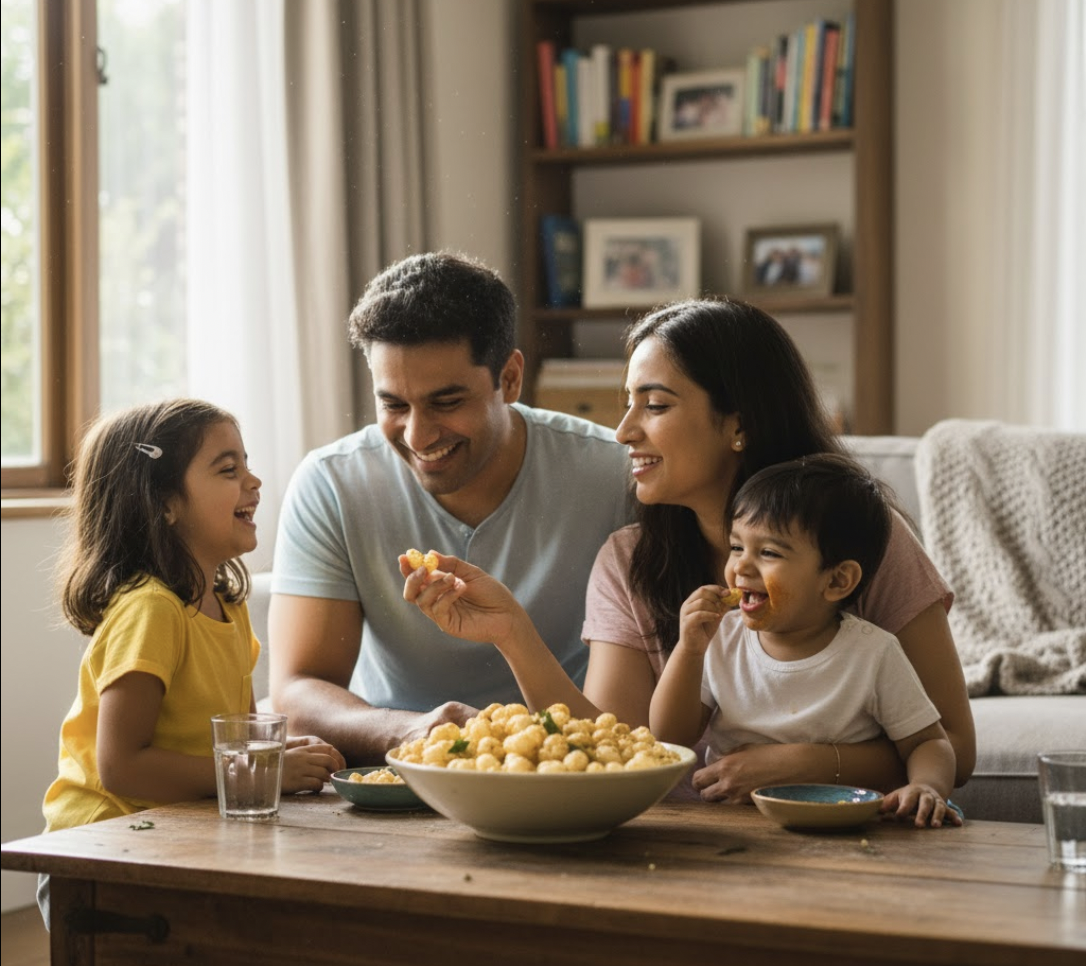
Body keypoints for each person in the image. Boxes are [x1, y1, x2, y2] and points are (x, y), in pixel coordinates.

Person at [403, 297, 976, 803]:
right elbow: (618, 747)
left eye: (653, 405)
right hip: (686, 847)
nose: (623, 430)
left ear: (738, 423)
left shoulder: (866, 539)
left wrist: (808, 762)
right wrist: (511, 632)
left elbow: (954, 744)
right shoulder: (629, 559)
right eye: (627, 404)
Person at [268, 251, 632, 764]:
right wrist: (409, 731)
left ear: (509, 377)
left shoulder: (615, 477)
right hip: (399, 778)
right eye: (393, 404)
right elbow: (297, 690)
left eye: (446, 402)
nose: (418, 435)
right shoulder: (332, 483)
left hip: (566, 769)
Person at [40, 399, 344, 925]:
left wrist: (284, 754)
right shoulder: (151, 610)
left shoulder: (228, 604)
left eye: (247, 464)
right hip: (103, 850)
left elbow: (241, 737)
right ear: (164, 503)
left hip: (178, 829)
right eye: (229, 469)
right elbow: (121, 767)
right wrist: (264, 772)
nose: (254, 482)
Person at [648, 454, 960, 827]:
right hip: (735, 824)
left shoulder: (872, 653)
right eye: (736, 547)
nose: (741, 567)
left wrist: (926, 785)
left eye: (768, 553)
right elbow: (668, 736)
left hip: (845, 826)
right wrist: (688, 650)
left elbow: (928, 742)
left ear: (836, 581)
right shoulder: (722, 640)